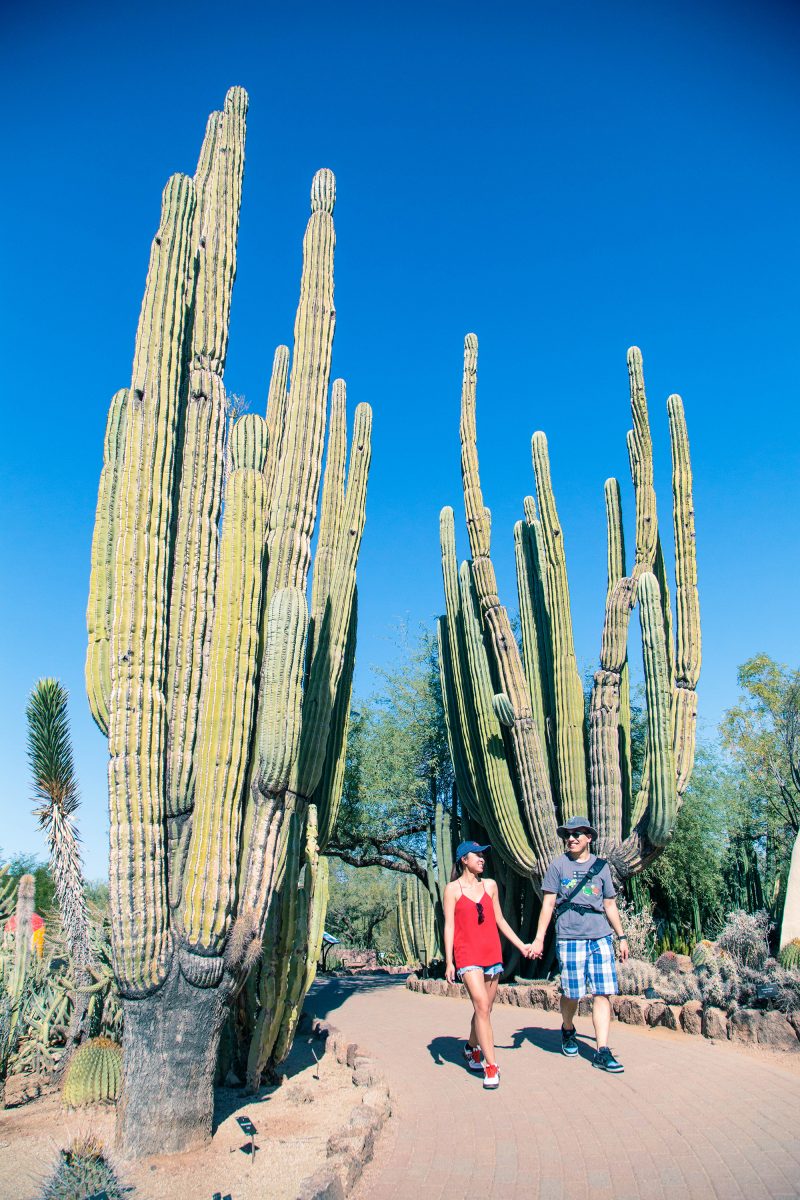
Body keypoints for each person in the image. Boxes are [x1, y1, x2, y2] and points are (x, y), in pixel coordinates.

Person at [531, 815, 629, 1073]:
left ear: (589, 838)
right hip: (570, 937)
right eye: (568, 835)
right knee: (573, 993)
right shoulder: (558, 866)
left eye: (577, 834)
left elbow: (609, 904)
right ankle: (567, 1027)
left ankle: (602, 1050)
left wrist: (621, 936)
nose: (571, 838)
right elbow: (548, 904)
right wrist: (539, 938)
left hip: (600, 936)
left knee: (602, 992)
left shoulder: (602, 867)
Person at [443, 840, 532, 1089]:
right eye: (477, 855)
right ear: (464, 859)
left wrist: (521, 945)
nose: (482, 859)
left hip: (491, 953)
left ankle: (471, 1047)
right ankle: (491, 1066)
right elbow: (449, 925)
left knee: (485, 1010)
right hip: (467, 954)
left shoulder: (490, 886)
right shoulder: (452, 889)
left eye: (483, 855)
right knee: (481, 1004)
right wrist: (449, 961)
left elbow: (500, 920)